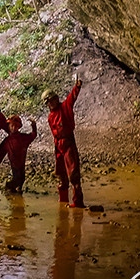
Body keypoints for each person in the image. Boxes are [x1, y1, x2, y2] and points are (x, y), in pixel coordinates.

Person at [42, 79, 84, 207]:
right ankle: (63, 201)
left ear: (56, 99)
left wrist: (77, 87)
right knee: (61, 174)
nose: (51, 103)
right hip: (58, 145)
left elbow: (72, 98)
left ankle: (78, 203)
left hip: (68, 142)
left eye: (52, 100)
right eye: (48, 102)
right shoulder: (50, 117)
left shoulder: (65, 107)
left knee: (73, 174)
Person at [0, 115, 37, 193]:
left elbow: (33, 135)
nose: (14, 128)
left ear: (19, 127)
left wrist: (34, 125)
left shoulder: (23, 138)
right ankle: (9, 187)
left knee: (22, 179)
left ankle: (17, 191)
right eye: (12, 126)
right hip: (14, 164)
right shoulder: (6, 142)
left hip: (22, 163)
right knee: (17, 178)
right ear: (8, 127)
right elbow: (1, 153)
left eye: (16, 126)